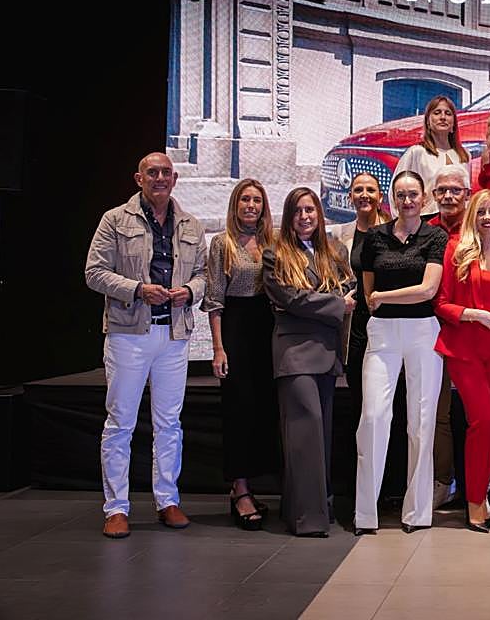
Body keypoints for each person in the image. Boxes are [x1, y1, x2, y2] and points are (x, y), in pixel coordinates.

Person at [85, 152, 207, 539]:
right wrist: (137, 290)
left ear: (174, 180)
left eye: (166, 173)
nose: (160, 178)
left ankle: (167, 500)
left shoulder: (190, 223)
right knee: (120, 422)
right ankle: (116, 508)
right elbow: (94, 272)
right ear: (138, 178)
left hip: (173, 336)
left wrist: (189, 291)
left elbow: (204, 275)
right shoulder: (114, 220)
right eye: (152, 172)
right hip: (128, 333)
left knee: (169, 423)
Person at [355, 171, 448, 534]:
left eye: (413, 195)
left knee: (421, 423)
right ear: (391, 199)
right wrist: (376, 299)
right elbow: (368, 295)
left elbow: (427, 290)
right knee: (374, 417)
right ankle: (365, 515)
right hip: (382, 334)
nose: (407, 200)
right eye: (400, 194)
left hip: (423, 331)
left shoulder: (435, 235)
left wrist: (384, 296)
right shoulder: (375, 237)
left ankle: (417, 513)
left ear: (424, 199)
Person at [262, 187, 356, 537]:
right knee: (306, 432)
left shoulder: (336, 250)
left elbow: (349, 290)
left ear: (319, 214)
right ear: (289, 217)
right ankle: (308, 519)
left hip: (328, 353)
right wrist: (333, 305)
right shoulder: (275, 254)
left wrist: (316, 303)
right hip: (295, 355)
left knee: (321, 436)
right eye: (298, 211)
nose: (305, 217)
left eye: (310, 210)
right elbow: (288, 297)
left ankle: (314, 508)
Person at [434, 190, 490, 531]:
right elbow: (441, 304)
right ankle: (473, 499)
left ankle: (480, 490)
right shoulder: (455, 250)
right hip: (465, 349)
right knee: (480, 422)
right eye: (482, 211)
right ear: (472, 215)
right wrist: (473, 314)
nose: (488, 217)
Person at [203, 178, 278, 530]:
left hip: (269, 331)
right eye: (245, 200)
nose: (251, 206)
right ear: (235, 205)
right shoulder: (222, 244)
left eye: (257, 201)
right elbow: (214, 299)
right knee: (238, 411)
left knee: (263, 410)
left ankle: (255, 483)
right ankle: (240, 490)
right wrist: (219, 348)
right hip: (235, 330)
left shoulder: (273, 242)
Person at [328, 173, 389, 515]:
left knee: (386, 410)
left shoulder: (394, 232)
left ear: (380, 195)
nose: (364, 194)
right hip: (355, 334)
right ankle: (361, 490)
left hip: (388, 330)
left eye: (370, 189)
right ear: (350, 196)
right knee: (361, 410)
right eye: (358, 190)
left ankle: (388, 488)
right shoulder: (339, 236)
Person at [422, 163, 473, 507]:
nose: (449, 196)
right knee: (438, 413)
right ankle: (444, 480)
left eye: (456, 190)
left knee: (476, 414)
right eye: (442, 191)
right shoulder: (425, 231)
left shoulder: (481, 227)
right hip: (432, 333)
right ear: (433, 195)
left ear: (468, 195)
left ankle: (477, 484)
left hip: (473, 331)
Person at [393, 95, 471, 215]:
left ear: (454, 124)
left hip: (459, 223)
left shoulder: (464, 155)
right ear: (428, 122)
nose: (443, 117)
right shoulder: (416, 153)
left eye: (448, 113)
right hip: (426, 222)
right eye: (437, 112)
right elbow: (396, 192)